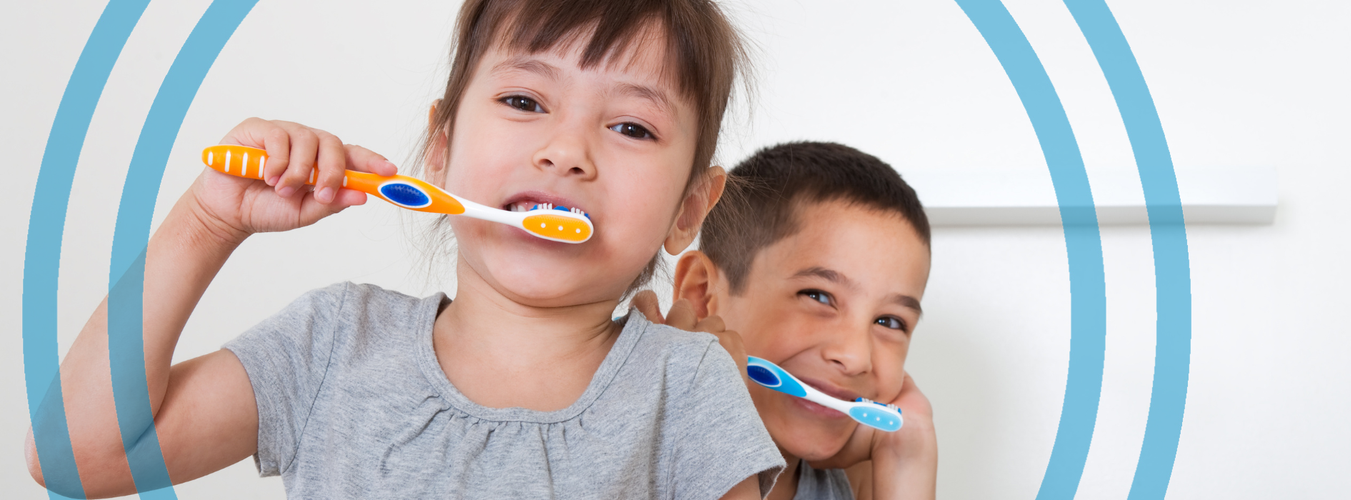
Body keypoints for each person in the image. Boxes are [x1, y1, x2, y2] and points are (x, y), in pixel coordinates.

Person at [26, 0, 784, 497]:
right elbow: (74, 457)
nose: (566, 151)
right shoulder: (331, 344)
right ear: (441, 147)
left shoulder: (686, 389)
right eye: (524, 101)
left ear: (689, 209)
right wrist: (208, 222)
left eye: (632, 127)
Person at [635, 142, 937, 499]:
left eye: (889, 322)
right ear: (701, 294)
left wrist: (906, 461)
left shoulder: (865, 481)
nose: (856, 357)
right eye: (818, 296)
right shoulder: (611, 461)